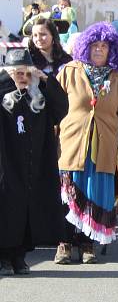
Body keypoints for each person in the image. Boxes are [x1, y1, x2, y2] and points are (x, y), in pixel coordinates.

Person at [56, 23, 118, 263]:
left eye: (104, 46)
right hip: (71, 145)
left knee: (97, 195)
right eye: (95, 45)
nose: (99, 50)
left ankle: (88, 243)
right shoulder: (69, 72)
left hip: (104, 148)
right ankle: (65, 243)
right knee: (68, 194)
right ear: (85, 46)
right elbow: (53, 110)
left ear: (112, 50)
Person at [0, 49, 68, 275]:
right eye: (16, 73)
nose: (22, 78)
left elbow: (62, 107)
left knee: (27, 213)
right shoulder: (4, 97)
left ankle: (19, 256)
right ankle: (4, 258)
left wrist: (44, 78)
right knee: (7, 211)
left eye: (26, 73)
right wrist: (6, 78)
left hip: (34, 165)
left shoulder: (38, 98)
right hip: (7, 165)